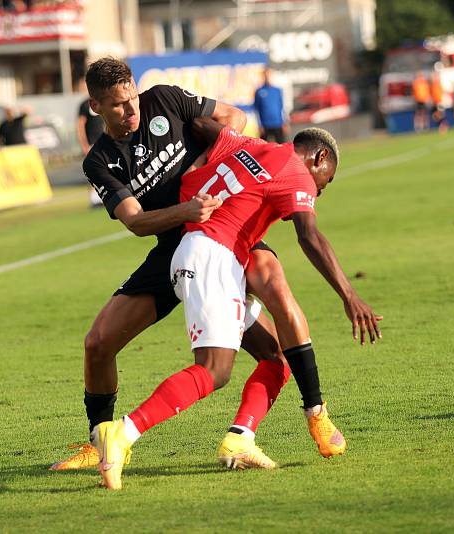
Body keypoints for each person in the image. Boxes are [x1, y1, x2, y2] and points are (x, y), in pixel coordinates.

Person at [50, 57, 356, 473]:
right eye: (119, 105)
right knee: (97, 343)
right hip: (178, 242)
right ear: (95, 107)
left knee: (274, 293)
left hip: (228, 226)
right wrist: (188, 208)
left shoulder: (165, 100)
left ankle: (315, 411)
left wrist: (212, 163)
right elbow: (137, 221)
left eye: (132, 98)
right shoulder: (100, 160)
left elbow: (233, 117)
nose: (131, 110)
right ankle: (101, 440)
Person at [93, 120, 381, 489]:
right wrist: (349, 295)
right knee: (215, 370)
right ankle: (121, 433)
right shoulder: (296, 170)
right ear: (319, 157)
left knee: (276, 357)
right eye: (325, 180)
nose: (318, 191)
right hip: (213, 256)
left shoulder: (252, 146)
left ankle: (240, 438)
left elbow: (206, 127)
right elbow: (309, 236)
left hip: (202, 254)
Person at [76, 78, 106, 206]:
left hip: (104, 141)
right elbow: (80, 125)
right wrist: (84, 144)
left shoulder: (101, 101)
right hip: (92, 143)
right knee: (93, 170)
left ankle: (106, 196)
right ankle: (94, 199)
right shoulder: (84, 105)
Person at [253, 68, 288, 143]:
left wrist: (284, 122)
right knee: (264, 147)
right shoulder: (259, 91)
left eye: (268, 75)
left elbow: (282, 107)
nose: (267, 77)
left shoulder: (277, 90)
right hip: (265, 125)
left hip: (278, 124)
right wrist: (259, 125)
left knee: (281, 147)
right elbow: (256, 109)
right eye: (265, 75)